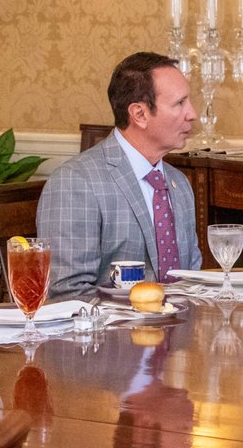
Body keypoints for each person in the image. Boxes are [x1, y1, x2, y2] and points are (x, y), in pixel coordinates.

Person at [37, 51, 202, 299]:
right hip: (112, 336)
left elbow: (193, 279)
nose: (192, 113)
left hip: (182, 332)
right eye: (180, 103)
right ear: (139, 114)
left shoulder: (178, 182)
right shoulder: (75, 182)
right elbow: (66, 294)